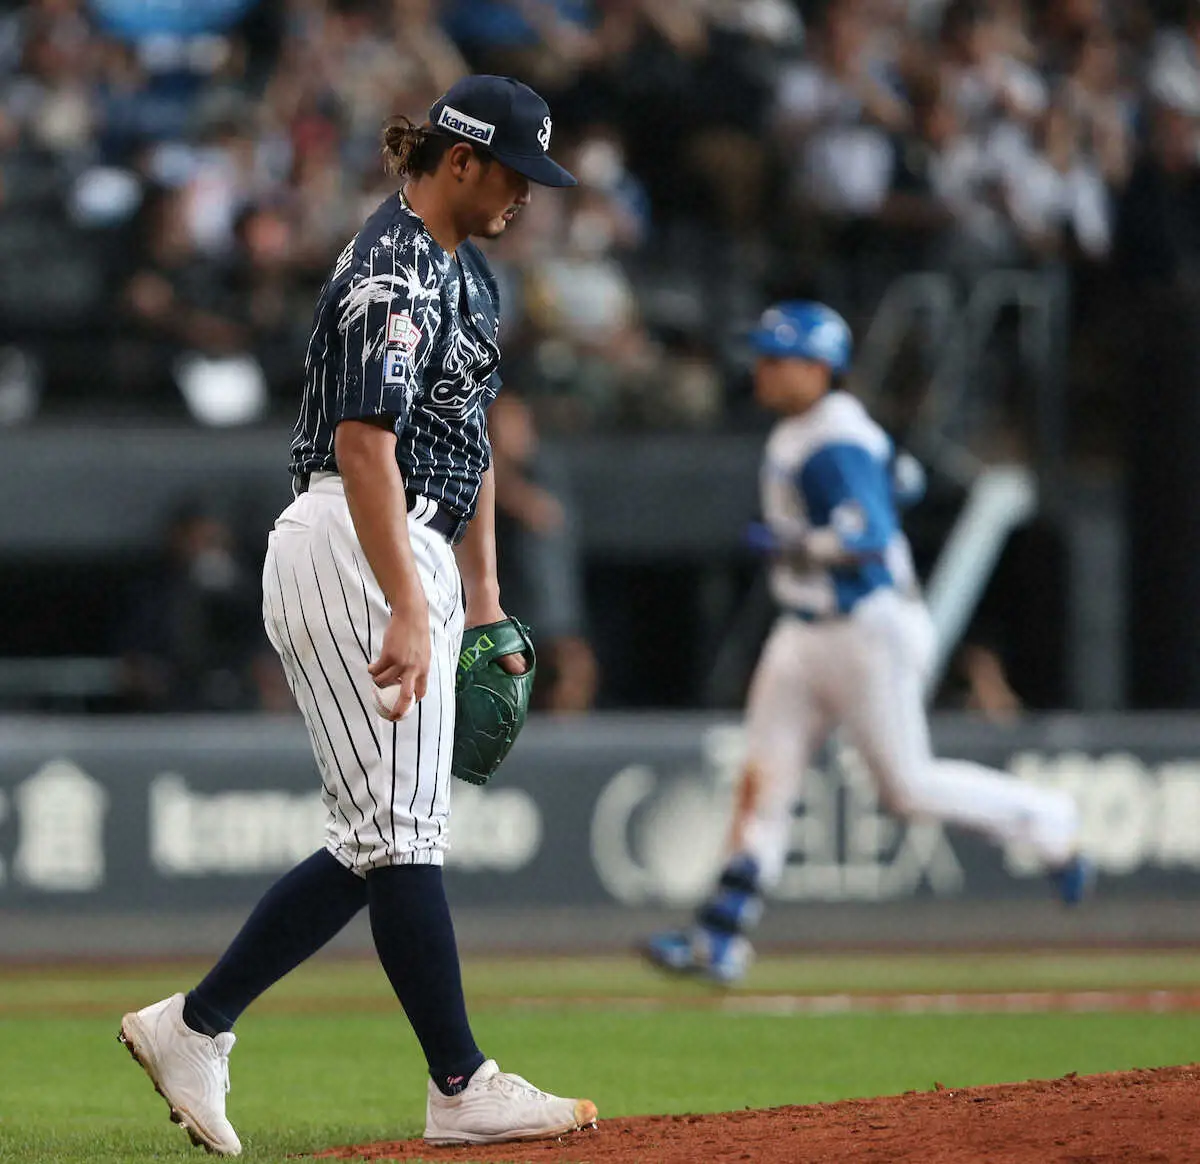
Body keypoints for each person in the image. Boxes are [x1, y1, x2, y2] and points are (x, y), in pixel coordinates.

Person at [118, 76, 598, 1154]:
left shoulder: (467, 281)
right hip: (353, 534)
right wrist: (402, 602)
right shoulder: (392, 269)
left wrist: (482, 604)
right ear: (461, 160)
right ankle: (460, 1084)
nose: (529, 194)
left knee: (378, 835)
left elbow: (463, 447)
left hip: (408, 541)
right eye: (516, 171)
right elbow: (364, 445)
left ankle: (195, 1026)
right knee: (401, 832)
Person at [644, 300, 1092, 986]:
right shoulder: (820, 429)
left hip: (865, 628)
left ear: (821, 368)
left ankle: (1049, 822)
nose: (761, 368)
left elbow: (868, 540)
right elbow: (899, 485)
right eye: (761, 354)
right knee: (764, 776)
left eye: (777, 357)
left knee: (907, 787)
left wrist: (797, 541)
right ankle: (720, 934)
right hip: (805, 630)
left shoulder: (832, 436)